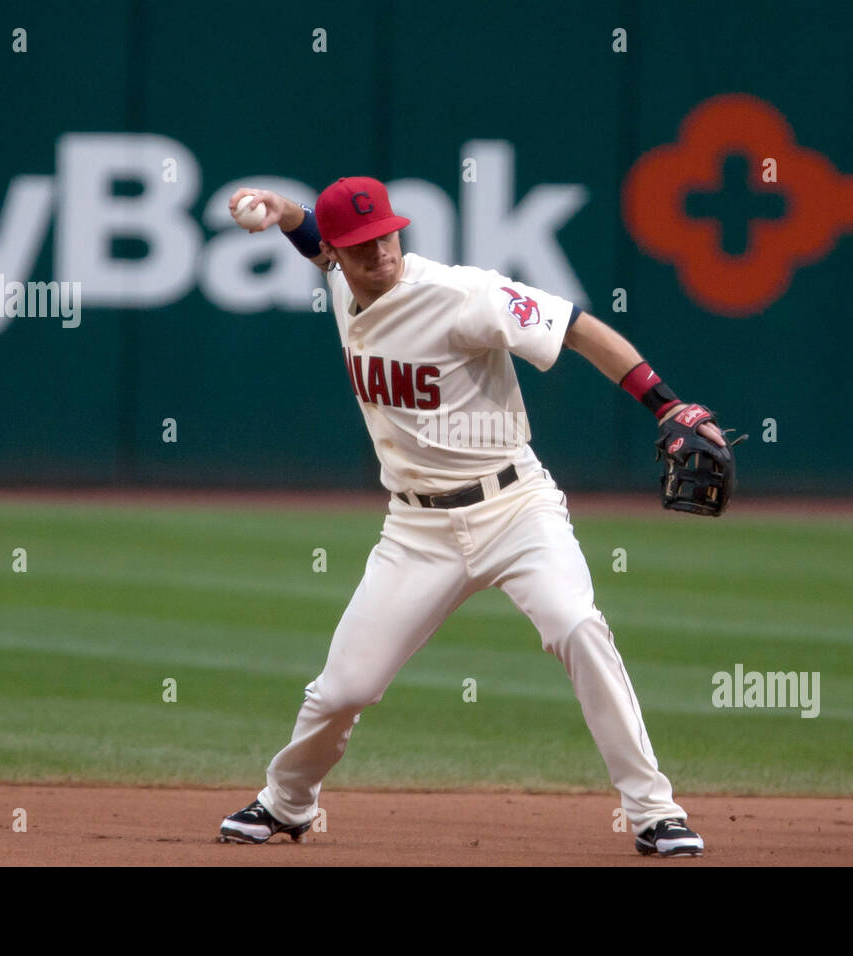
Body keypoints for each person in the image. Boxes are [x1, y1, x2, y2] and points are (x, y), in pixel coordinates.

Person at [218, 176, 726, 857]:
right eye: (362, 246)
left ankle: (653, 812)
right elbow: (316, 236)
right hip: (417, 530)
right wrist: (285, 213)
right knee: (344, 688)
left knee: (577, 625)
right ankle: (287, 803)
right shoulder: (342, 280)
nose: (381, 254)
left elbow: (576, 328)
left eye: (387, 236)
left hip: (517, 507)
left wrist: (666, 405)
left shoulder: (462, 295)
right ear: (336, 255)